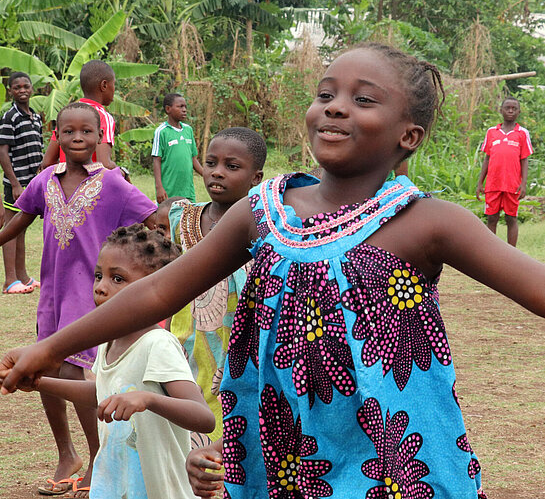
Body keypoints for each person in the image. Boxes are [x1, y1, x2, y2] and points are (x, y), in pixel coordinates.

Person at [6, 43, 545, 499]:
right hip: (285, 460)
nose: (334, 108)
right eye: (326, 94)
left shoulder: (429, 223)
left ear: (409, 136)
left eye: (363, 100)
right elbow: (157, 294)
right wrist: (50, 349)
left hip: (397, 462)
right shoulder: (263, 213)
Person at [0, 102, 156, 497]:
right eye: (68, 132)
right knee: (43, 373)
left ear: (99, 136)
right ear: (57, 134)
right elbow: (18, 221)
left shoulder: (114, 183)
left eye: (86, 132)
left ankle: (97, 453)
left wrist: (135, 273)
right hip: (51, 295)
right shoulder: (43, 181)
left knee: (74, 372)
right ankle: (66, 454)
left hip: (92, 295)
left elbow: (151, 220)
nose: (77, 138)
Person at [10, 224, 215, 499]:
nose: (101, 288)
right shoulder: (110, 341)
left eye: (117, 279)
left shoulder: (158, 344)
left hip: (160, 490)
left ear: (156, 288)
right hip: (115, 485)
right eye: (98, 276)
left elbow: (203, 418)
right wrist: (39, 383)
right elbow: (102, 393)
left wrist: (148, 400)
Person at [167, 127, 265, 449]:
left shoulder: (266, 227)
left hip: (241, 352)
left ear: (256, 177)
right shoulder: (183, 219)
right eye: (211, 163)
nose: (217, 173)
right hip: (187, 349)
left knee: (236, 435)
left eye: (232, 167)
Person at [41, 61, 128, 179]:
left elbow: (47, 163)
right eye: (114, 84)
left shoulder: (67, 115)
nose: (114, 90)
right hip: (92, 190)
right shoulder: (102, 116)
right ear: (104, 85)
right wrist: (123, 172)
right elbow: (104, 165)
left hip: (66, 188)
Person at [0, 71, 43, 294]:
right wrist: (15, 183)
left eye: (26, 86)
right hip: (16, 184)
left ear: (32, 88)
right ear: (10, 91)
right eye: (17, 87)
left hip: (31, 183)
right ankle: (9, 280)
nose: (22, 90)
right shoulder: (10, 117)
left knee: (21, 229)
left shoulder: (35, 117)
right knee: (11, 228)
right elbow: (3, 152)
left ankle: (22, 276)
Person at [476, 97, 532, 247]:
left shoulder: (522, 133)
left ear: (519, 112)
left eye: (514, 108)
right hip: (493, 183)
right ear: (501, 110)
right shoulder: (491, 132)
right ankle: (491, 252)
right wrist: (480, 182)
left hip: (512, 184)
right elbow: (487, 158)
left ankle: (511, 253)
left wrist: (523, 184)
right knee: (492, 218)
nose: (510, 110)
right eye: (507, 107)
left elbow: (524, 159)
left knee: (511, 218)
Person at [152, 93, 203, 203]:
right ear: (168, 109)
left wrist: (206, 174)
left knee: (188, 218)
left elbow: (193, 159)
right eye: (180, 107)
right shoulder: (162, 131)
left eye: (185, 107)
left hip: (188, 192)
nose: (184, 110)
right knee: (167, 218)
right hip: (169, 191)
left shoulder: (188, 130)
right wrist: (159, 188)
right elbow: (156, 160)